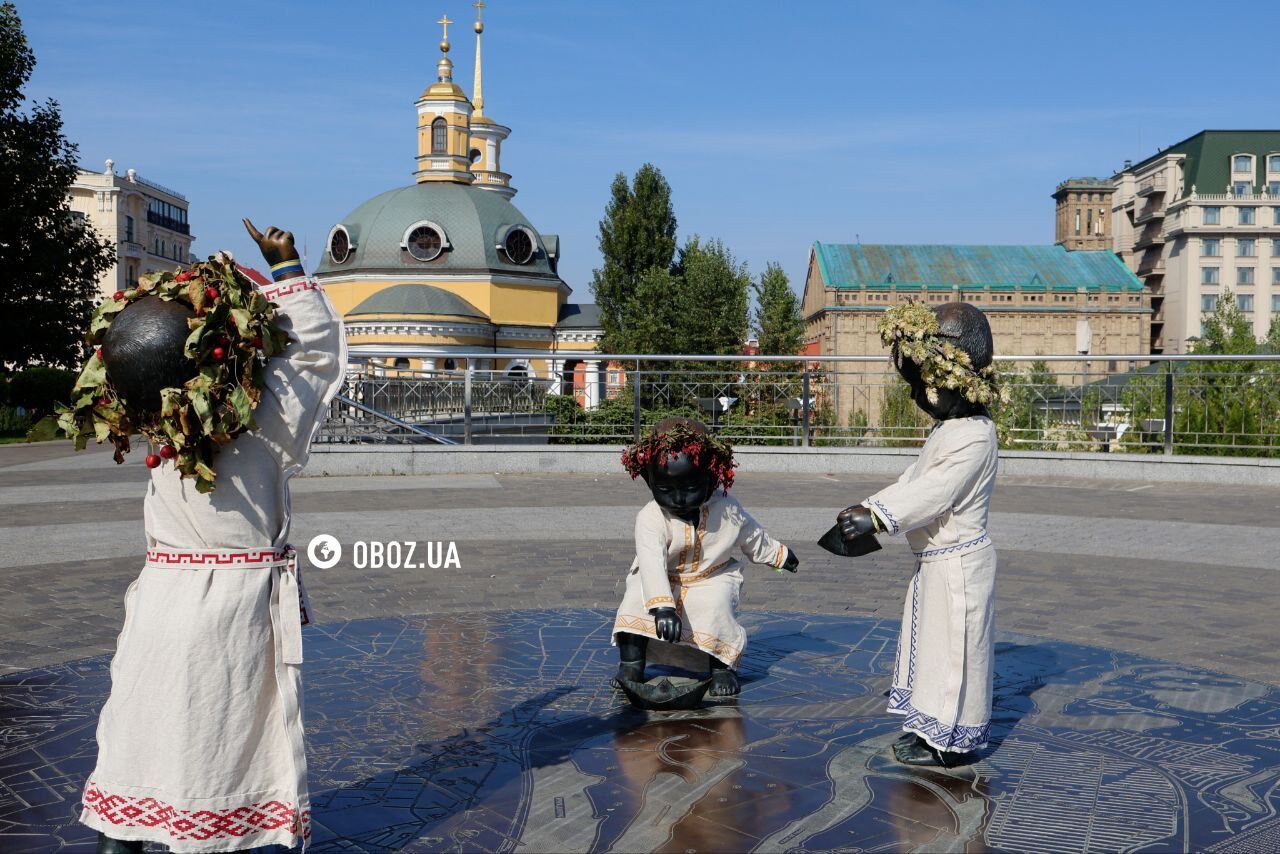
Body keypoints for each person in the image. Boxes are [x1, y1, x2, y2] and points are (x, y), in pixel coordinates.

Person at [75, 221, 346, 852]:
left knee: (141, 734)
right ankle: (204, 835)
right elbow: (310, 359)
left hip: (159, 601)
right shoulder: (260, 430)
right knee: (212, 747)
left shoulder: (154, 424)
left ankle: (121, 836)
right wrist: (288, 272)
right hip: (229, 612)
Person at [836, 301, 1000, 768]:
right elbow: (913, 480)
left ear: (956, 380)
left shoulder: (974, 435)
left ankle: (951, 742)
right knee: (930, 651)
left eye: (925, 386)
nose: (920, 398)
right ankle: (926, 725)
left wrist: (879, 518)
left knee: (955, 657)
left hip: (959, 566)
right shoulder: (949, 430)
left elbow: (936, 491)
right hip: (936, 563)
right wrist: (869, 507)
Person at [613, 417, 799, 699]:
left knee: (715, 606)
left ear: (712, 476)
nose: (678, 499)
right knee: (633, 602)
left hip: (711, 576)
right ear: (649, 480)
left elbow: (751, 536)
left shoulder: (727, 507)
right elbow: (650, 562)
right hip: (661, 580)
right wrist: (662, 607)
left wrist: (779, 555)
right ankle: (631, 663)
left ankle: (721, 667)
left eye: (690, 489)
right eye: (665, 489)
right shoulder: (651, 516)